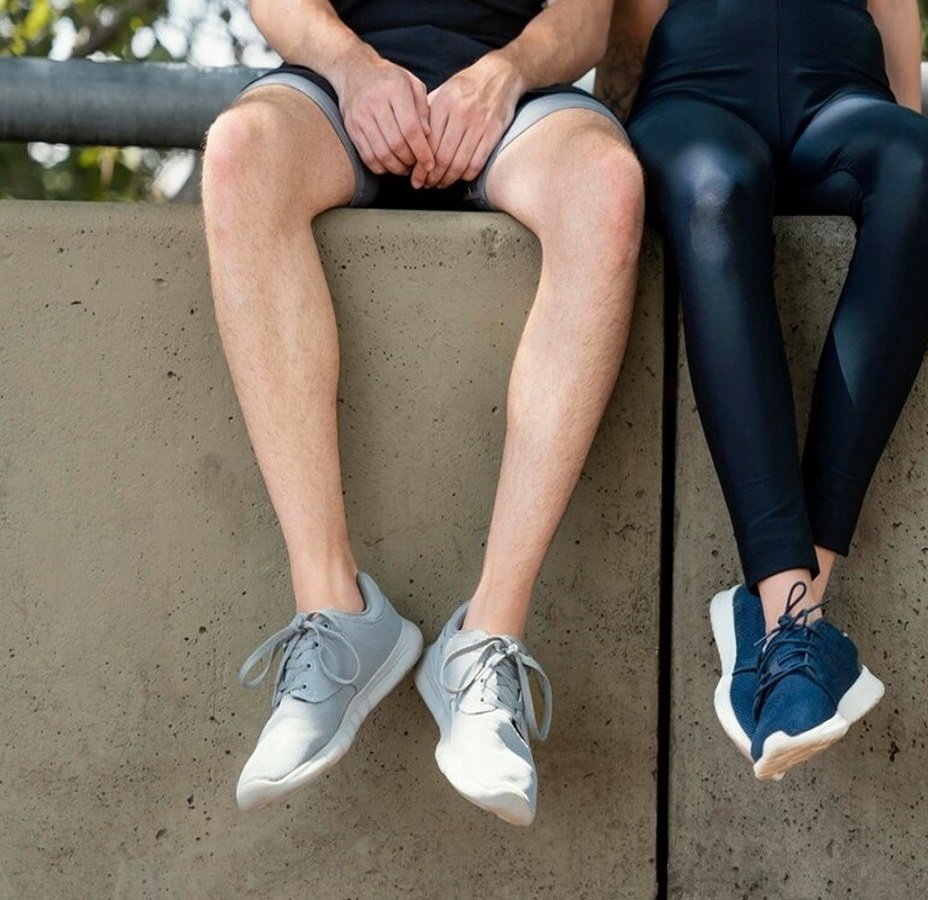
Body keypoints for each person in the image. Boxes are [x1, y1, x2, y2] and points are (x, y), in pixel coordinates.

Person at [202, 0, 644, 825]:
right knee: (238, 152)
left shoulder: (513, 80)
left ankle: (483, 648)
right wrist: (354, 69)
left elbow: (584, 24)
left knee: (608, 185)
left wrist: (501, 76)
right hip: (341, 90)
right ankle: (334, 615)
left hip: (517, 97)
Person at [599, 0, 928, 780]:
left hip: (841, 95)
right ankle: (794, 630)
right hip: (693, 97)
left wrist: (912, 130)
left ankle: (784, 614)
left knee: (923, 166)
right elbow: (626, 31)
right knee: (714, 191)